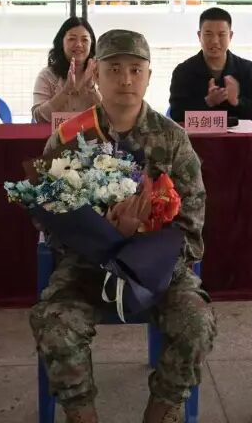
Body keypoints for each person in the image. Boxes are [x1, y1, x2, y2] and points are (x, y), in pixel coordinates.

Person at [31, 29, 217, 423]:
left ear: (149, 76)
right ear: (96, 75)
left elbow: (191, 222)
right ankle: (82, 415)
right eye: (114, 69)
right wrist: (101, 230)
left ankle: (161, 410)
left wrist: (140, 238)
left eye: (136, 69)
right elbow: (45, 214)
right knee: (55, 325)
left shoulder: (173, 140)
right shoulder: (69, 136)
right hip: (86, 267)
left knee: (197, 324)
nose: (126, 79)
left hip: (156, 270)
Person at [168, 7, 252, 123]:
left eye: (221, 34)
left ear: (230, 36)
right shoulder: (183, 71)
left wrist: (236, 102)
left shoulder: (247, 69)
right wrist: (208, 102)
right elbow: (176, 114)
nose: (215, 41)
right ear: (199, 36)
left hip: (239, 134)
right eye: (208, 34)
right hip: (197, 135)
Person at [31, 17, 101, 124]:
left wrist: (91, 87)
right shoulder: (46, 75)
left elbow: (110, 116)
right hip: (54, 135)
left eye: (84, 40)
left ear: (91, 44)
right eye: (72, 39)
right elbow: (39, 117)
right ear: (61, 42)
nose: (79, 44)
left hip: (92, 135)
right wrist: (66, 91)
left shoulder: (101, 74)